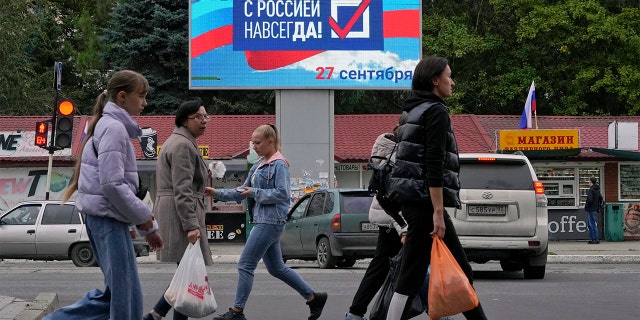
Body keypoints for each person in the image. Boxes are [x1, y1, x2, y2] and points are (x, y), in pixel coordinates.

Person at [45, 70, 164, 320]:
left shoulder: (102, 124)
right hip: (108, 220)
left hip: (102, 218)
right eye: (141, 96)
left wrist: (145, 225)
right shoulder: (114, 129)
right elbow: (112, 184)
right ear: (122, 97)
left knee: (117, 296)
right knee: (126, 297)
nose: (145, 103)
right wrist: (148, 222)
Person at [384, 57, 488, 320]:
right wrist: (438, 212)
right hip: (426, 205)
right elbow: (433, 164)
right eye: (449, 76)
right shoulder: (436, 111)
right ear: (435, 80)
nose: (452, 82)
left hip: (415, 201)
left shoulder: (411, 111)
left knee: (448, 270)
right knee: (413, 274)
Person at [206, 124, 327, 320]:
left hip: (270, 221)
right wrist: (216, 192)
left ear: (271, 141)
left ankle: (237, 311)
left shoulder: (280, 164)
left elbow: (282, 194)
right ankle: (314, 298)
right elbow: (241, 191)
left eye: (257, 143)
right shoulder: (258, 165)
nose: (254, 146)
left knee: (245, 265)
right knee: (277, 268)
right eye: (253, 143)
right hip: (263, 220)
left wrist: (254, 192)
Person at [143, 98, 215, 320]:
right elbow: (182, 189)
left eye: (206, 117)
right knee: (187, 274)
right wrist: (191, 225)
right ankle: (156, 313)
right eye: (199, 117)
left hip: (175, 210)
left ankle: (156, 313)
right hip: (180, 213)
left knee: (185, 273)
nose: (204, 121)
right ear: (185, 120)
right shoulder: (183, 144)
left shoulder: (180, 141)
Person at [344, 130, 408, 320]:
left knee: (380, 268)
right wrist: (404, 228)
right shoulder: (400, 154)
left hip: (387, 220)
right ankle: (436, 312)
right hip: (396, 221)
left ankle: (355, 313)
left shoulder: (384, 147)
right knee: (415, 269)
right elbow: (396, 197)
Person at [585, 177, 602, 244]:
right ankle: (592, 239)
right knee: (590, 224)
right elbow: (600, 199)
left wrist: (587, 205)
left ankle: (595, 239)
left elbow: (590, 199)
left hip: (591, 209)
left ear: (591, 182)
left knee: (592, 225)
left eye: (589, 182)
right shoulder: (597, 190)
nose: (588, 183)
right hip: (595, 209)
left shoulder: (591, 190)